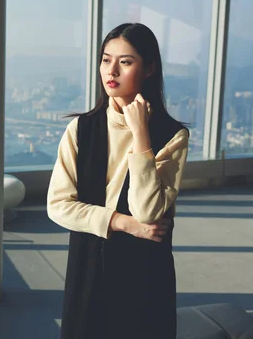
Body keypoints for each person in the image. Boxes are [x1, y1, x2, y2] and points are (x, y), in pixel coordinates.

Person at [47, 23, 189, 339]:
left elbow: (149, 211)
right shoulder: (81, 130)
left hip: (143, 273)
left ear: (150, 68)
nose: (111, 70)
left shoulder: (172, 135)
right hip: (88, 265)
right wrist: (124, 223)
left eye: (125, 62)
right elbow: (58, 206)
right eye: (105, 59)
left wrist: (140, 134)